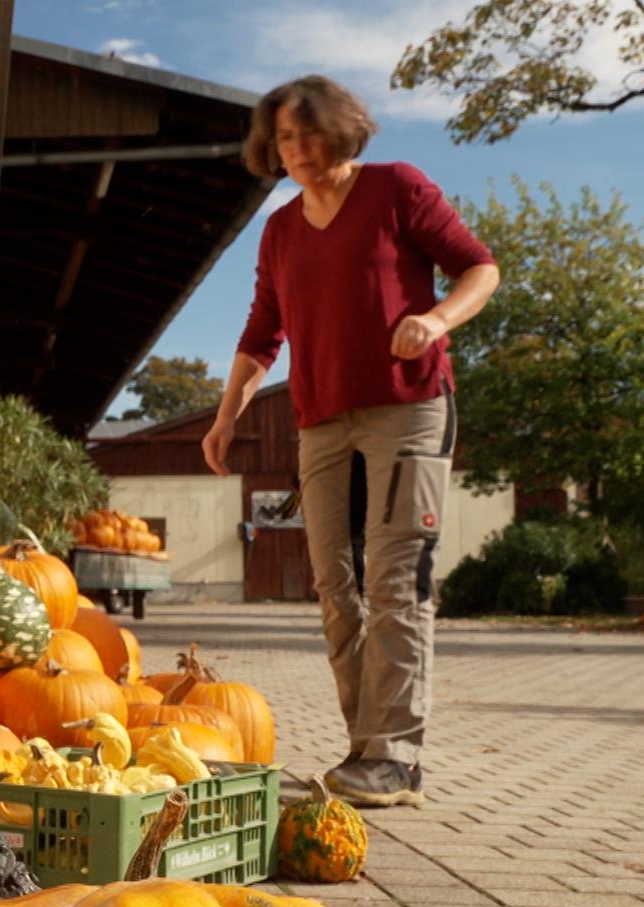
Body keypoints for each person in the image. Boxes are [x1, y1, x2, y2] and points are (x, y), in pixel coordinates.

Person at [201, 75, 501, 808]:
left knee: (396, 582)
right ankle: (366, 747)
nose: (296, 150)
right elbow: (261, 332)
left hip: (408, 407)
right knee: (336, 587)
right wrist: (226, 413)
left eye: (307, 133)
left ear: (339, 129)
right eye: (282, 139)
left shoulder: (396, 188)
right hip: (321, 420)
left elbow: (479, 267)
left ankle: (394, 756)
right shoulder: (280, 229)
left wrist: (435, 320)